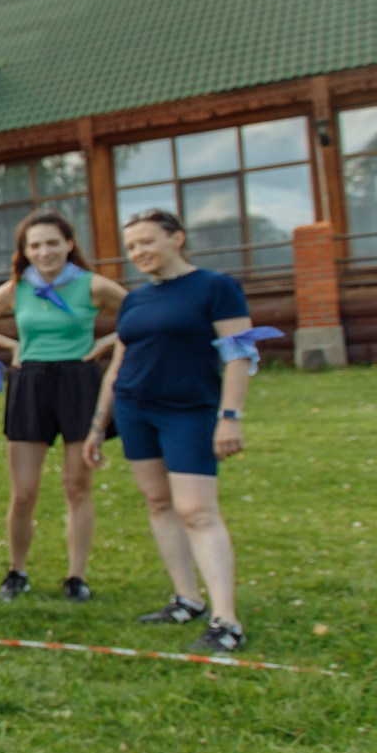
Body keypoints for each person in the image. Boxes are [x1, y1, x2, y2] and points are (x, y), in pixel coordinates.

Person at [84, 207, 273, 654]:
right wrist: (97, 426)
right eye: (132, 246)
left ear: (177, 239)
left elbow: (239, 354)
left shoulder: (216, 287)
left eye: (147, 241)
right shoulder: (135, 300)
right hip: (134, 411)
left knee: (197, 510)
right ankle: (186, 598)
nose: (139, 252)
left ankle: (227, 620)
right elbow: (119, 365)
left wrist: (230, 416)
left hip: (189, 411)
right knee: (157, 502)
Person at [0, 209, 126, 602]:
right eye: (35, 245)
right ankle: (17, 571)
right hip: (30, 385)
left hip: (79, 383)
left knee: (77, 487)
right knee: (23, 491)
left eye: (52, 243)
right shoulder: (15, 289)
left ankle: (76, 576)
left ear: (69, 245)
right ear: (25, 251)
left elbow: (139, 315)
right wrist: (12, 347)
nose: (44, 252)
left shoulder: (92, 285)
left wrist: (105, 344)